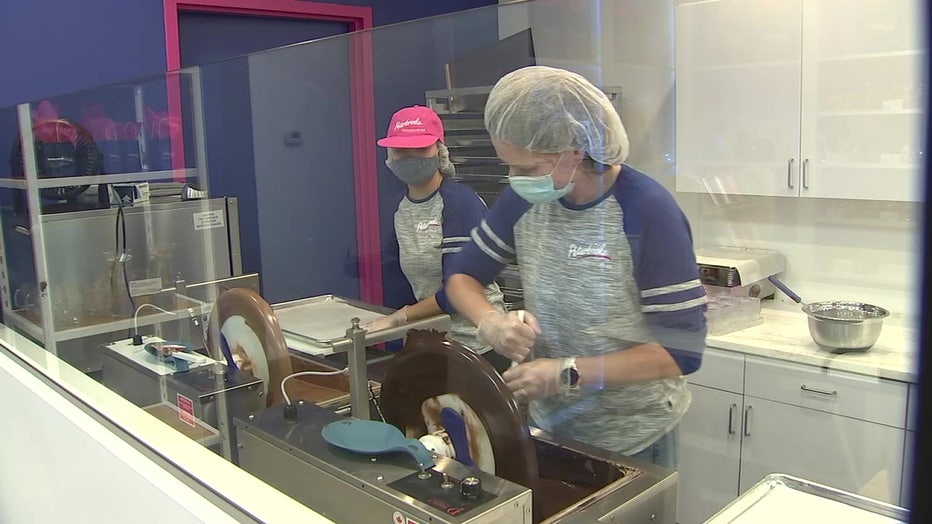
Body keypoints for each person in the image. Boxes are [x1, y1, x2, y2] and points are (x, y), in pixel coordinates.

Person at [441, 66, 707, 468]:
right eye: (508, 166)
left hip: (634, 435)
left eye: (527, 169)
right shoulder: (524, 200)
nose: (513, 180)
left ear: (575, 153)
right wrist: (491, 321)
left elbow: (680, 352)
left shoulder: (646, 210)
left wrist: (567, 373)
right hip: (551, 426)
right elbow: (460, 278)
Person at [364, 105, 509, 370]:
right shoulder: (401, 210)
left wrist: (401, 318)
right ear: (389, 155)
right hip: (439, 344)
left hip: (480, 347)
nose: (410, 157)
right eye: (401, 150)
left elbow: (459, 292)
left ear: (440, 151)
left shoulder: (460, 204)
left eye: (421, 149)